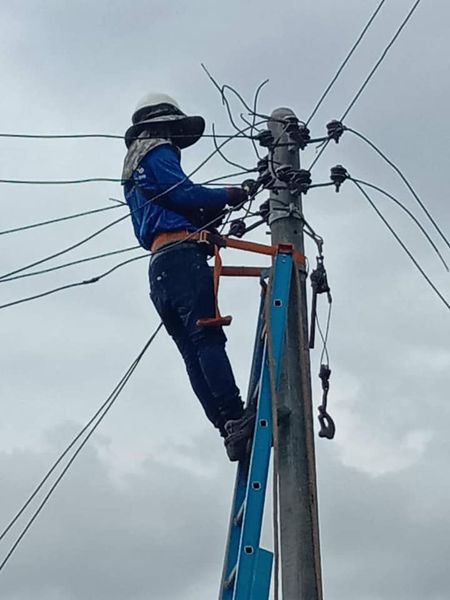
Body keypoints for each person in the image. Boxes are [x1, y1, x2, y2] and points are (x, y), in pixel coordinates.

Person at [122, 93, 254, 461]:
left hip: (159, 267)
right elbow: (183, 193)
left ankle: (226, 426)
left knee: (192, 351)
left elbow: (173, 207)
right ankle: (235, 415)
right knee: (207, 338)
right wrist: (230, 194)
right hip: (181, 259)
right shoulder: (156, 150)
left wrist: (205, 219)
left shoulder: (131, 171)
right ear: (163, 124)